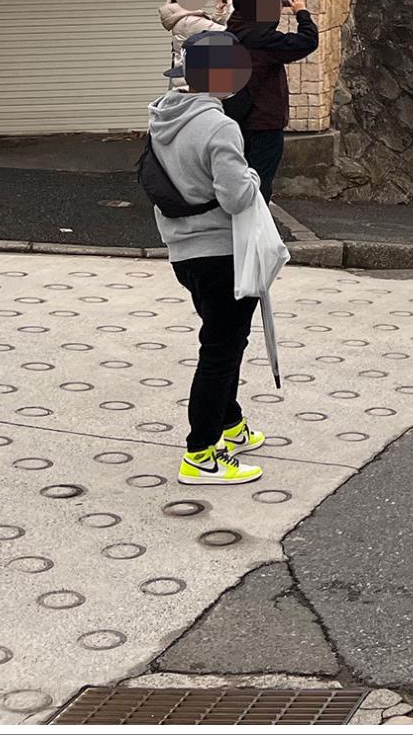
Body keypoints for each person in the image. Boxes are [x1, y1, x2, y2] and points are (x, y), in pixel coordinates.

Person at [147, 31, 272, 487]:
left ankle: (231, 424)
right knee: (220, 350)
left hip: (184, 252)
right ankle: (200, 454)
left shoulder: (163, 116)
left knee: (223, 340)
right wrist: (253, 177)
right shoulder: (219, 126)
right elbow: (237, 196)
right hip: (223, 251)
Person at [222, 0, 319, 200]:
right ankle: (254, 220)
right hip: (264, 121)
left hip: (235, 117)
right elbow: (308, 40)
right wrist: (301, 12)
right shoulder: (264, 41)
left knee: (239, 178)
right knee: (259, 182)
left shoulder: (232, 31)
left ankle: (235, 218)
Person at [159, 0, 230, 91]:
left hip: (186, 83)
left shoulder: (185, 17)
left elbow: (210, 28)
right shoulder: (189, 21)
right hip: (193, 86)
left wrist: (219, 11)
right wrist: (233, 7)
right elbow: (231, 34)